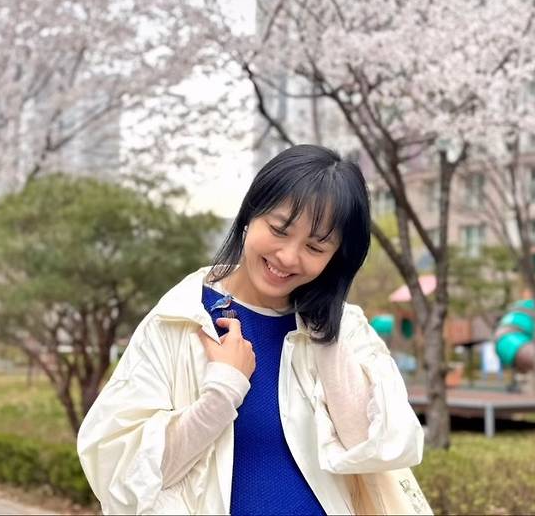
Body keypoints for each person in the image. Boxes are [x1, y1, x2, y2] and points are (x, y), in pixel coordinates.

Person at [77, 144, 429, 515]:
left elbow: (377, 447)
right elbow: (120, 473)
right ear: (250, 214)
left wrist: (328, 334)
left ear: (336, 258)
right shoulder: (180, 319)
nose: (288, 257)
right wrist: (222, 393)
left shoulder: (346, 331)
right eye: (279, 230)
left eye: (315, 247)